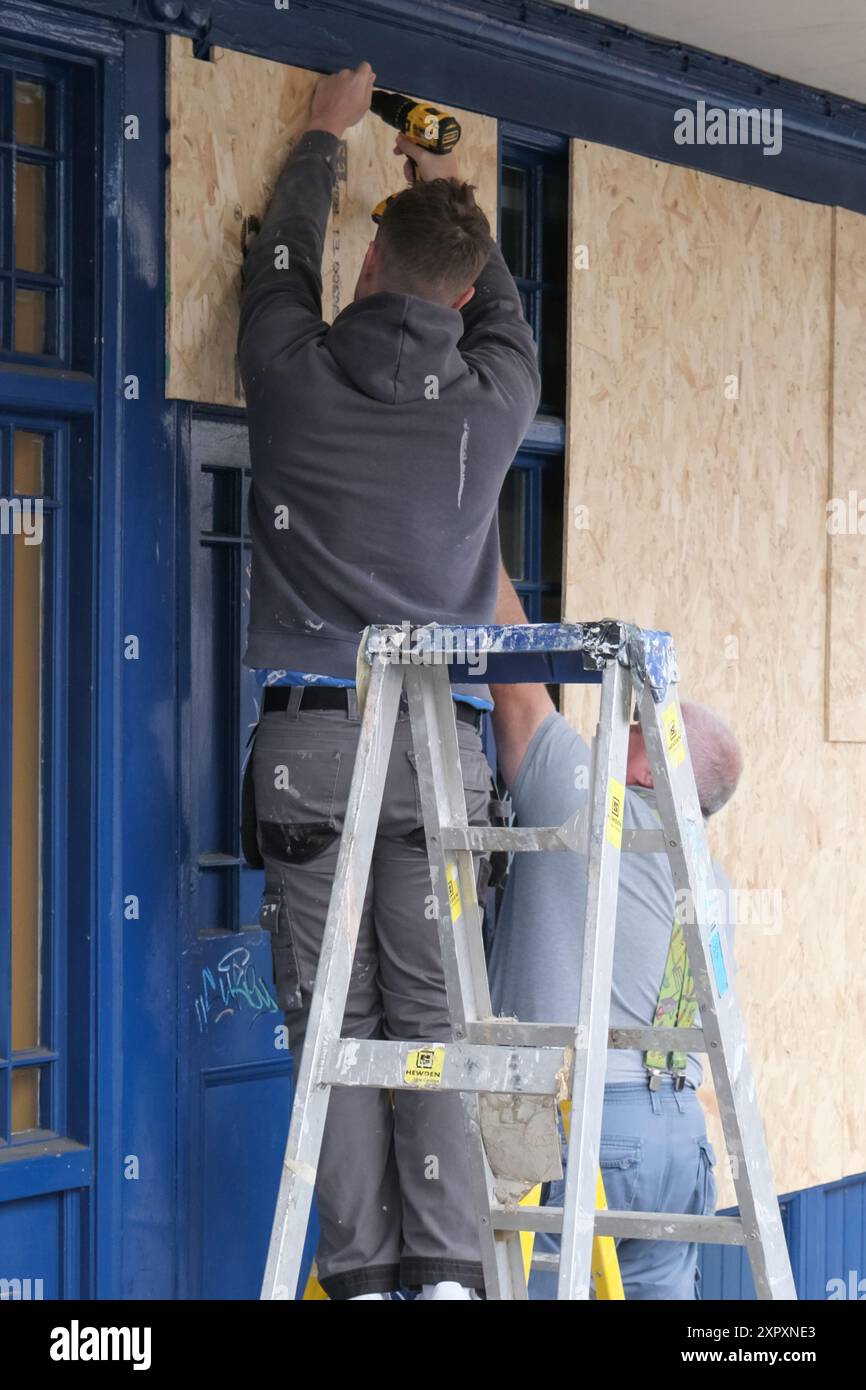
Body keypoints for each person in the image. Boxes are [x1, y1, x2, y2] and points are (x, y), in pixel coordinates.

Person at [238, 63, 541, 1300]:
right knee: (432, 1022)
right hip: (439, 754)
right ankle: (452, 1278)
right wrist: (439, 178)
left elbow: (273, 270)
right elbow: (499, 307)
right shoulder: (499, 393)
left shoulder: (292, 374)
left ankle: (362, 1279)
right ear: (463, 298)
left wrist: (320, 137)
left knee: (335, 1028)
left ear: (361, 273)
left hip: (313, 744)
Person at [488, 567, 740, 1299]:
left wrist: (473, 522)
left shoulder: (582, 795)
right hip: (676, 1142)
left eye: (637, 727)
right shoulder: (712, 881)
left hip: (583, 1126)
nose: (615, 729)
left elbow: (511, 669)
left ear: (651, 764)